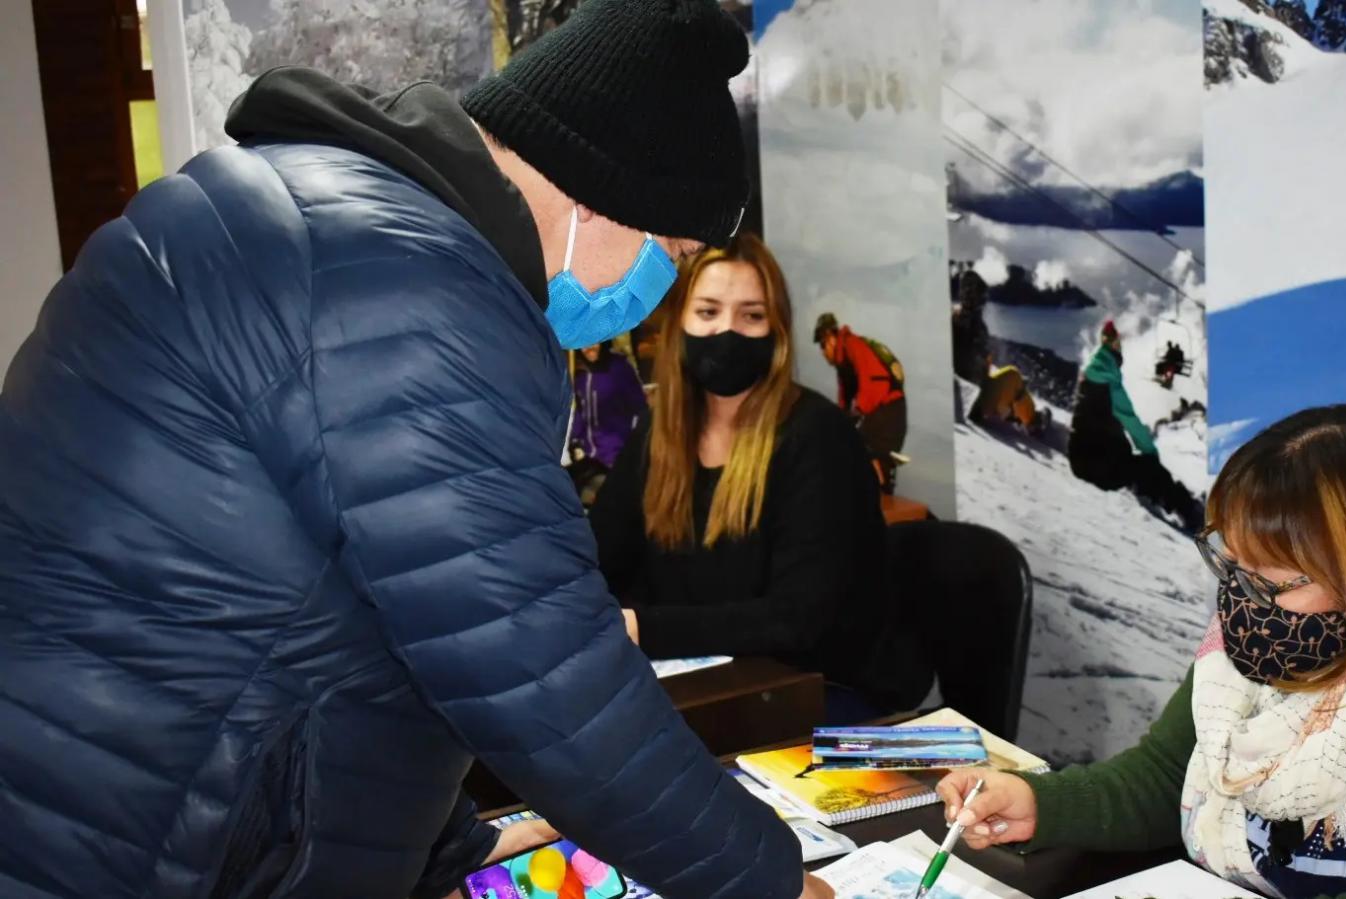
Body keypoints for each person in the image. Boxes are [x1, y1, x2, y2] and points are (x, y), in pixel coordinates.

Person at [0, 3, 832, 897]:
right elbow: (546, 676)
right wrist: (769, 883)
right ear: (596, 191)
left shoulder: (329, 224)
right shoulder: (413, 289)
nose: (658, 286)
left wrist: (442, 843)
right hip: (132, 840)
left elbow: (394, 616)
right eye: (667, 248)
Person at [938, 405, 1346, 899]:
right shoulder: (1276, 638)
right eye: (1232, 566)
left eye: (1272, 581)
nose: (1240, 599)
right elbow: (1166, 777)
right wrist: (1035, 803)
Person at [589, 234, 931, 725]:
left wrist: (643, 626)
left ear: (777, 331)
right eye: (708, 312)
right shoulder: (659, 436)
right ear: (678, 324)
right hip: (708, 687)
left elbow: (796, 622)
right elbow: (600, 561)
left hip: (824, 694)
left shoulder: (817, 436)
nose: (727, 332)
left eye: (751, 316)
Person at [1068, 320, 1204, 533]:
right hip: (1099, 467)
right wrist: (1150, 452)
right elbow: (1130, 420)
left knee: (1133, 464)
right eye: (1118, 346)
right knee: (1149, 467)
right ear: (1114, 348)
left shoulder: (1090, 375)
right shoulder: (1108, 381)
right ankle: (1190, 511)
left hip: (1081, 459)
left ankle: (1156, 493)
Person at [814, 312, 909, 492]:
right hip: (883, 411)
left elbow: (875, 381)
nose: (822, 352)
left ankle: (881, 494)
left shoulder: (854, 345)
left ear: (831, 338)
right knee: (855, 447)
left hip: (888, 411)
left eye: (822, 345)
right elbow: (845, 398)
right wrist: (841, 421)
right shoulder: (844, 361)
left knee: (865, 450)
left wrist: (858, 412)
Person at [568, 340, 648, 505]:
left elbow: (640, 409)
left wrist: (631, 448)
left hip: (617, 456)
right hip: (589, 456)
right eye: (584, 343)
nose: (589, 347)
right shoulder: (580, 373)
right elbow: (581, 411)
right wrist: (574, 439)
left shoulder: (618, 368)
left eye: (594, 341)